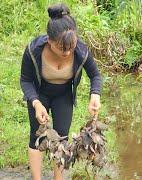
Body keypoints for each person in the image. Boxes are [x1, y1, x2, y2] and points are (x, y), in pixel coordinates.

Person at [20, 3, 102, 180]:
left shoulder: (80, 50)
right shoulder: (33, 50)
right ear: (49, 40)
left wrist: (95, 93)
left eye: (70, 46)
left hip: (63, 95)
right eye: (62, 47)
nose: (67, 52)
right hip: (39, 94)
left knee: (62, 137)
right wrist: (35, 102)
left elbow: (95, 75)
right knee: (37, 136)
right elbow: (26, 80)